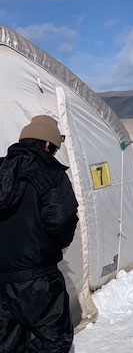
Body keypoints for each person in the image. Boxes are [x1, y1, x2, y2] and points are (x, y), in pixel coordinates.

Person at [0, 115, 79, 353]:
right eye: (54, 148)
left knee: (6, 342)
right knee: (54, 340)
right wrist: (46, 245)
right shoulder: (51, 174)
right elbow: (62, 223)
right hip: (37, 278)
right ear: (46, 144)